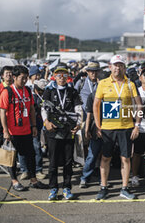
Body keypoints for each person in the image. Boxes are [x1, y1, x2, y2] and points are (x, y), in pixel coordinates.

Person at [93, 54, 142, 200]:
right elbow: (96, 105)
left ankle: (125, 188)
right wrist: (97, 125)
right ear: (110, 67)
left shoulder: (130, 84)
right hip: (108, 127)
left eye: (120, 65)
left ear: (124, 67)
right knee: (106, 158)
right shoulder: (103, 83)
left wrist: (137, 125)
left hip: (127, 126)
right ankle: (103, 187)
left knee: (126, 158)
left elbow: (139, 105)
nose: (117, 68)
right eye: (115, 65)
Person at [0, 65, 48, 191]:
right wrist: (5, 131)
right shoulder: (7, 92)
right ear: (14, 77)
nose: (25, 80)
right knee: (12, 157)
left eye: (26, 77)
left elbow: (32, 109)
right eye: (22, 78)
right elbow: (2, 112)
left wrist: (33, 126)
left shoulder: (27, 90)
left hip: (26, 129)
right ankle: (15, 181)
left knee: (31, 155)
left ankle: (33, 180)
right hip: (12, 131)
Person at [42, 65, 83, 200]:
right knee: (53, 162)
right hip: (53, 131)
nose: (61, 77)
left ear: (68, 76)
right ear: (54, 76)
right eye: (58, 75)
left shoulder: (73, 92)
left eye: (64, 75)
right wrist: (46, 122)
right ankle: (53, 189)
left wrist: (78, 125)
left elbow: (78, 109)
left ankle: (67, 188)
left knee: (68, 161)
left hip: (68, 131)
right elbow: (44, 109)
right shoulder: (49, 91)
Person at [78, 62, 103, 188]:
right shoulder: (81, 83)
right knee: (88, 149)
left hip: (103, 120)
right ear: (87, 72)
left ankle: (100, 176)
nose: (93, 73)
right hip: (86, 119)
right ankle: (85, 175)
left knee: (102, 153)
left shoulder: (102, 84)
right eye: (91, 71)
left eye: (96, 71)